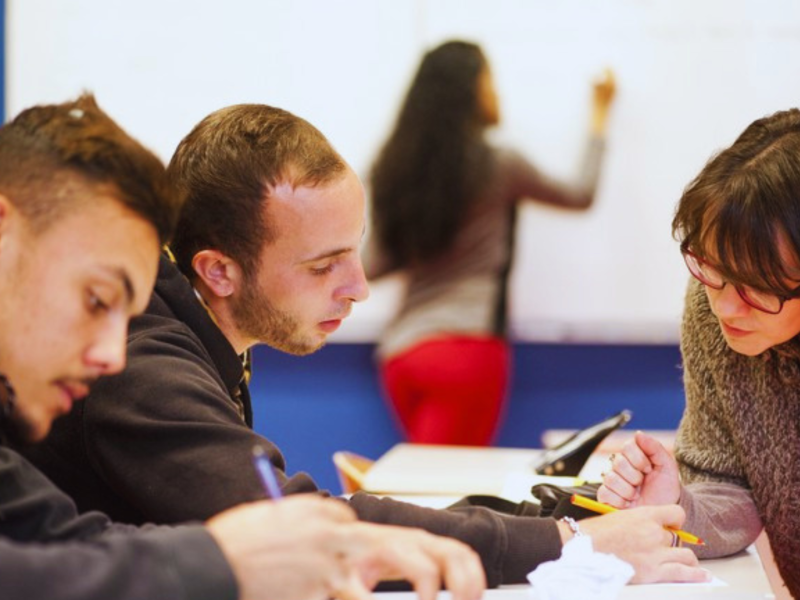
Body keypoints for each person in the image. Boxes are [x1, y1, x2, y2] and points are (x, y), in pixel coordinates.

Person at [20, 102, 709, 587]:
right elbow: (302, 528)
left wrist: (561, 517)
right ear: (219, 272)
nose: (359, 288)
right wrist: (570, 542)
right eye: (324, 266)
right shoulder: (143, 358)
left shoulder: (199, 329)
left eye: (355, 252)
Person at [0, 93, 488, 600]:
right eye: (96, 300)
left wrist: (225, 555)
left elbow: (59, 542)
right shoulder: (145, 364)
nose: (111, 356)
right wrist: (222, 558)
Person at [363, 40, 616, 446]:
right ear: (469, 91)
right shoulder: (498, 164)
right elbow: (579, 193)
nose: (496, 93)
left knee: (428, 475)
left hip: (402, 355)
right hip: (466, 353)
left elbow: (372, 265)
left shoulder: (395, 166)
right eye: (489, 82)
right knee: (437, 481)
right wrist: (600, 115)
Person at [596, 108, 800, 596]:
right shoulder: (711, 312)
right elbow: (726, 483)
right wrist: (677, 506)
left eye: (757, 286)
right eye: (713, 269)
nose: (725, 306)